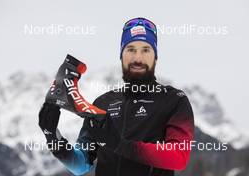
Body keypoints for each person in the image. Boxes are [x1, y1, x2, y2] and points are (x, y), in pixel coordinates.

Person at [38, 17, 194, 176]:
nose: (138, 58)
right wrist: (53, 138)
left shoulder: (174, 100)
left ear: (155, 55)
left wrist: (120, 145)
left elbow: (178, 157)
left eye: (146, 49)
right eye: (131, 49)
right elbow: (81, 165)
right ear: (121, 55)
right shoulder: (102, 103)